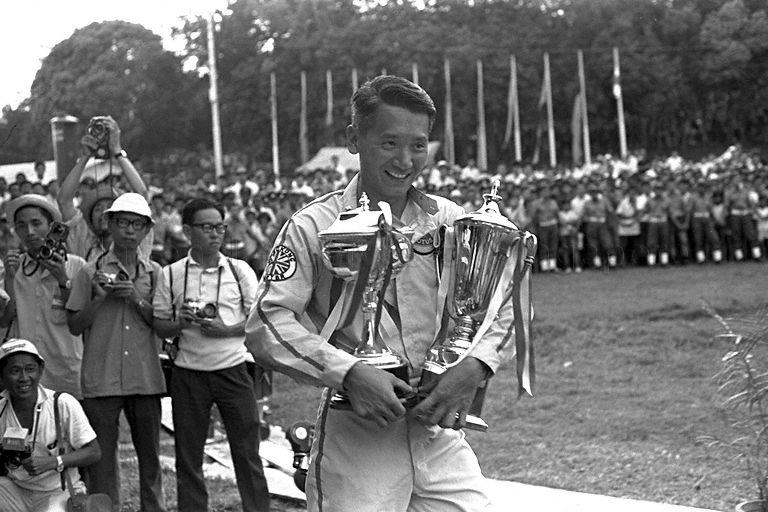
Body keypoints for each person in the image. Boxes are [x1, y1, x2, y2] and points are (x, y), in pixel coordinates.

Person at [246, 75, 508, 511]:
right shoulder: (314, 226)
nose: (405, 160)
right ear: (354, 139)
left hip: (436, 431)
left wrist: (476, 367)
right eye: (389, 143)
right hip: (359, 434)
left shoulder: (450, 220)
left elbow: (502, 303)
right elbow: (267, 324)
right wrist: (348, 372)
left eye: (418, 145)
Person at [153, 198, 270, 512]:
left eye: (219, 227)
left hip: (233, 370)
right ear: (188, 231)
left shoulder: (239, 269)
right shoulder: (171, 274)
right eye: (206, 228)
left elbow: (259, 320)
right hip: (188, 373)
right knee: (188, 457)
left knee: (247, 453)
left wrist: (226, 329)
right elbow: (160, 326)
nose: (215, 234)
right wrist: (180, 323)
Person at [65, 193, 166, 512]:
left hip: (145, 377)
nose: (129, 230)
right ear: (109, 224)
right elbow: (74, 325)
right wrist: (99, 298)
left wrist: (136, 298)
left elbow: (163, 325)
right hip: (101, 378)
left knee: (150, 460)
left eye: (137, 224)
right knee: (102, 463)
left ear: (147, 229)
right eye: (122, 222)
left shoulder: (154, 272)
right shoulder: (88, 271)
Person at [0, 195, 87, 398]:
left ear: (51, 227)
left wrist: (62, 278)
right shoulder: (12, 268)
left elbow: (82, 318)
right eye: (21, 226)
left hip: (65, 371)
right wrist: (11, 280)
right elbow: (5, 320)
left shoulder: (76, 266)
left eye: (36, 223)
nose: (29, 232)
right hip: (24, 377)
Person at [0, 338, 101, 512]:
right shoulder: (1, 410)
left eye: (30, 369)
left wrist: (54, 461)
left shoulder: (61, 404)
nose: (24, 378)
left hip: (57, 492)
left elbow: (94, 452)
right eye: (14, 371)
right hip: (15, 489)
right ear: (1, 377)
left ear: (41, 371)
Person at [57, 116, 153, 264]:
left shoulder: (135, 239)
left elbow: (142, 195)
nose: (103, 213)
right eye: (97, 209)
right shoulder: (84, 242)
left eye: (109, 207)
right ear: (90, 219)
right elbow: (64, 201)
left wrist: (117, 151)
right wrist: (85, 156)